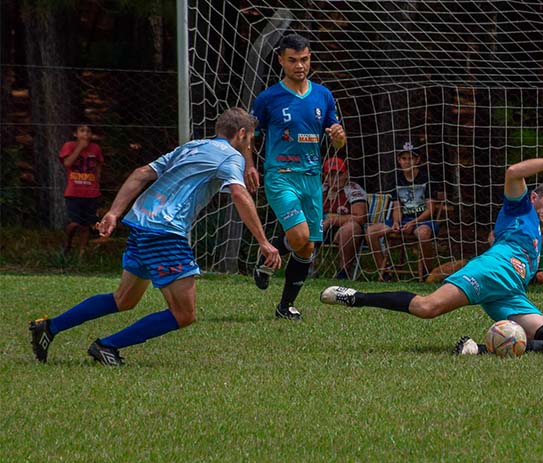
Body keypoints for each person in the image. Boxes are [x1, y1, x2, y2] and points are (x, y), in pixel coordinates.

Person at [28, 108, 281, 366]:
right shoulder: (231, 157)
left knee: (124, 299)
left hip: (141, 222)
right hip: (164, 231)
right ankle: (107, 346)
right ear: (241, 134)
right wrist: (263, 242)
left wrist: (114, 213)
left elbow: (141, 173)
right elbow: (239, 194)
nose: (250, 145)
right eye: (250, 139)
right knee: (184, 314)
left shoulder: (191, 147)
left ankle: (49, 327)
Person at [320, 151, 543, 355]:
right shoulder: (520, 208)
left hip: (510, 293)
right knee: (427, 308)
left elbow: (522, 266)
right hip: (490, 271)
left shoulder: (537, 233)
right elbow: (513, 171)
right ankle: (355, 296)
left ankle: (476, 349)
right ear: (534, 197)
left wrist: (541, 276)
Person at [248, 34, 346, 320]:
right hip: (281, 175)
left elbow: (337, 140)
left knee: (308, 245)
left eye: (304, 59)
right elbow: (249, 137)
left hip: (312, 177)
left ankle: (284, 306)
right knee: (300, 235)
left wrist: (339, 138)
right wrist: (249, 165)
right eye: (292, 60)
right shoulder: (268, 98)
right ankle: (268, 253)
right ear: (281, 60)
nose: (299, 66)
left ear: (310, 58)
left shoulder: (323, 95)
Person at [365, 142, 441, 282]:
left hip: (422, 221)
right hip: (404, 220)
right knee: (371, 232)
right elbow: (396, 206)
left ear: (417, 160)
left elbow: (431, 209)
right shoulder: (396, 179)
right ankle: (385, 269)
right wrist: (396, 222)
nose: (407, 162)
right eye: (404, 158)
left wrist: (413, 222)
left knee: (423, 234)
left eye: (411, 158)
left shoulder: (427, 178)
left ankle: (427, 272)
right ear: (399, 160)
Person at [60, 124, 104, 257]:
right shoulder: (69, 146)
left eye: (88, 131)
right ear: (76, 134)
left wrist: (97, 185)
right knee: (74, 223)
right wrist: (80, 147)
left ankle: (81, 254)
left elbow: (98, 168)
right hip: (74, 192)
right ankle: (67, 245)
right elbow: (67, 163)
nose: (85, 134)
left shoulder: (95, 149)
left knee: (86, 225)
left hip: (90, 192)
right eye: (82, 131)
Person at [321, 156, 367, 279]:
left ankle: (344, 272)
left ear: (346, 174)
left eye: (339, 174)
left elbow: (360, 217)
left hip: (345, 230)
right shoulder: (321, 190)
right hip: (321, 228)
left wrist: (331, 221)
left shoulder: (353, 189)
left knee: (350, 228)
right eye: (330, 174)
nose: (335, 178)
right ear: (325, 176)